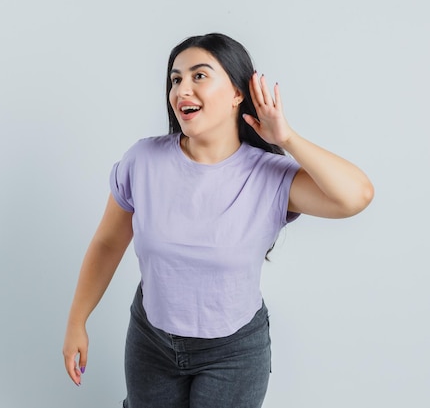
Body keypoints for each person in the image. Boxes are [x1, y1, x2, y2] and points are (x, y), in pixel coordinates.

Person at [62, 33, 374, 408]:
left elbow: (356, 196)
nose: (182, 89)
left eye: (199, 75)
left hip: (233, 354)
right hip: (151, 342)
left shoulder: (269, 176)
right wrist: (77, 320)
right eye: (176, 79)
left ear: (237, 93)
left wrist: (286, 137)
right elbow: (108, 243)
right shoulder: (142, 161)